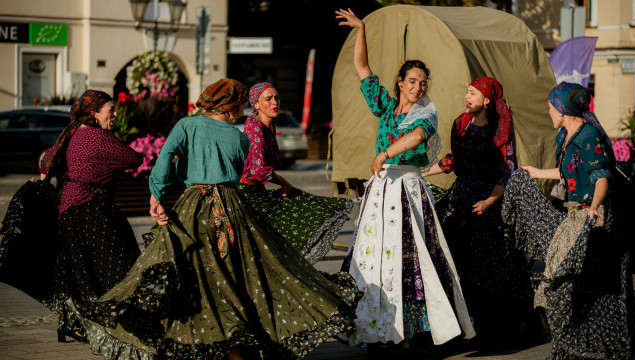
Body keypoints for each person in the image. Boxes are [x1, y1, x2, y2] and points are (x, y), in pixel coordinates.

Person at [67, 78, 361, 360]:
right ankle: (240, 338)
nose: (242, 112)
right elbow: (235, 172)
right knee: (243, 274)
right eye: (240, 106)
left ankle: (216, 338)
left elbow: (165, 161)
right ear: (230, 108)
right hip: (234, 209)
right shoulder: (238, 137)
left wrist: (157, 196)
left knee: (194, 274)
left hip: (194, 209)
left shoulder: (186, 125)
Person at [335, 8, 474, 354]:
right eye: (412, 81)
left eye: (422, 82)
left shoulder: (426, 112)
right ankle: (376, 329)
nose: (418, 87)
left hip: (407, 190)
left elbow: (414, 139)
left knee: (410, 261)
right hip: (381, 192)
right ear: (400, 82)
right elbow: (363, 69)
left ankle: (410, 331)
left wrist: (384, 154)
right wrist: (362, 29)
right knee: (373, 260)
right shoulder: (385, 106)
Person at [501, 81, 635, 359]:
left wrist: (595, 206)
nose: (549, 112)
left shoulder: (589, 137)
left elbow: (601, 177)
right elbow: (570, 174)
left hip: (593, 218)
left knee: (570, 282)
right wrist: (536, 173)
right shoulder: (567, 136)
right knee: (572, 283)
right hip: (575, 215)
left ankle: (583, 344)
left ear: (563, 110)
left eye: (551, 108)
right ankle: (572, 344)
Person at [2, 90, 143, 343]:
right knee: (122, 265)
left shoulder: (71, 133)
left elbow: (47, 158)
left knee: (77, 271)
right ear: (94, 113)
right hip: (90, 208)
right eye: (111, 109)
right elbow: (134, 158)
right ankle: (125, 323)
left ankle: (70, 325)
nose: (115, 114)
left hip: (67, 208)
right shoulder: (98, 137)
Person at [422, 77, 541, 345]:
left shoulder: (499, 129)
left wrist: (489, 201)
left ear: (487, 100)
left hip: (489, 202)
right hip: (462, 197)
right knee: (454, 258)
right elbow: (454, 160)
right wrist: (419, 173)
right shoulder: (461, 123)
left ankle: (499, 328)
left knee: (491, 265)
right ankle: (461, 325)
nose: (467, 96)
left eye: (473, 93)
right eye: (467, 91)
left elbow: (507, 170)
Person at [239, 82, 354, 264]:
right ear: (256, 104)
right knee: (304, 208)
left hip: (257, 191)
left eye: (276, 97)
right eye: (268, 99)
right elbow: (257, 169)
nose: (274, 102)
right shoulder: (254, 127)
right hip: (247, 194)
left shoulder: (269, 127)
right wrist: (283, 182)